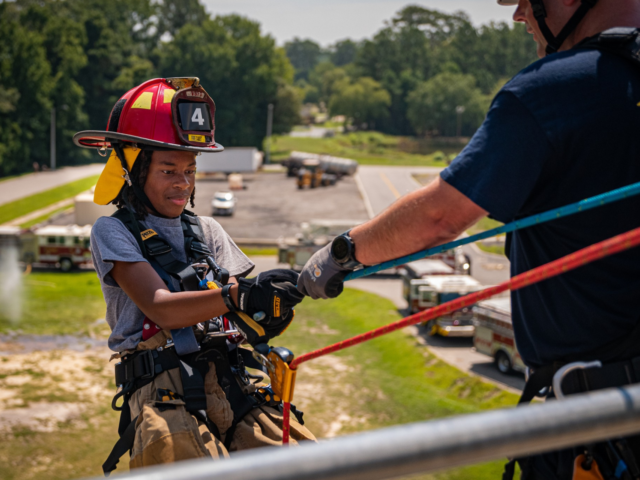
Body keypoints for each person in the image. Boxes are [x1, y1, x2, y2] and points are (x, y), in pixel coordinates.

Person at [298, 0, 640, 478]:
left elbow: (439, 218)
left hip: (598, 426)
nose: (519, 15)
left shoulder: (555, 90)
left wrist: (338, 255)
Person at [73, 77, 314, 475]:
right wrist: (236, 297)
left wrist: (270, 306)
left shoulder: (207, 231)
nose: (182, 183)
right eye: (168, 170)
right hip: (163, 391)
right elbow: (160, 308)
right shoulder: (112, 232)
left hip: (232, 381)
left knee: (308, 463)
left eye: (190, 169)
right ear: (132, 170)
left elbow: (246, 312)